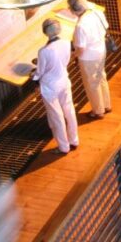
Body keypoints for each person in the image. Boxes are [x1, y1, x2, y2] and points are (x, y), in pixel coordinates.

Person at [33, 19, 79, 154]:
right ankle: (74, 140)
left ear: (45, 32)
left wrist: (33, 78)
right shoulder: (66, 43)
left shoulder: (44, 51)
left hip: (50, 86)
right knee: (69, 110)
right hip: (64, 80)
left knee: (56, 116)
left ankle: (63, 147)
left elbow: (40, 71)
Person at [68, 0, 111, 119]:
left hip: (89, 57)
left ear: (74, 10)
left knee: (92, 84)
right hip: (101, 50)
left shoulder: (81, 25)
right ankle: (107, 105)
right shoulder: (96, 11)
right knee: (101, 77)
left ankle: (98, 111)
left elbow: (81, 49)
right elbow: (106, 26)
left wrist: (72, 57)